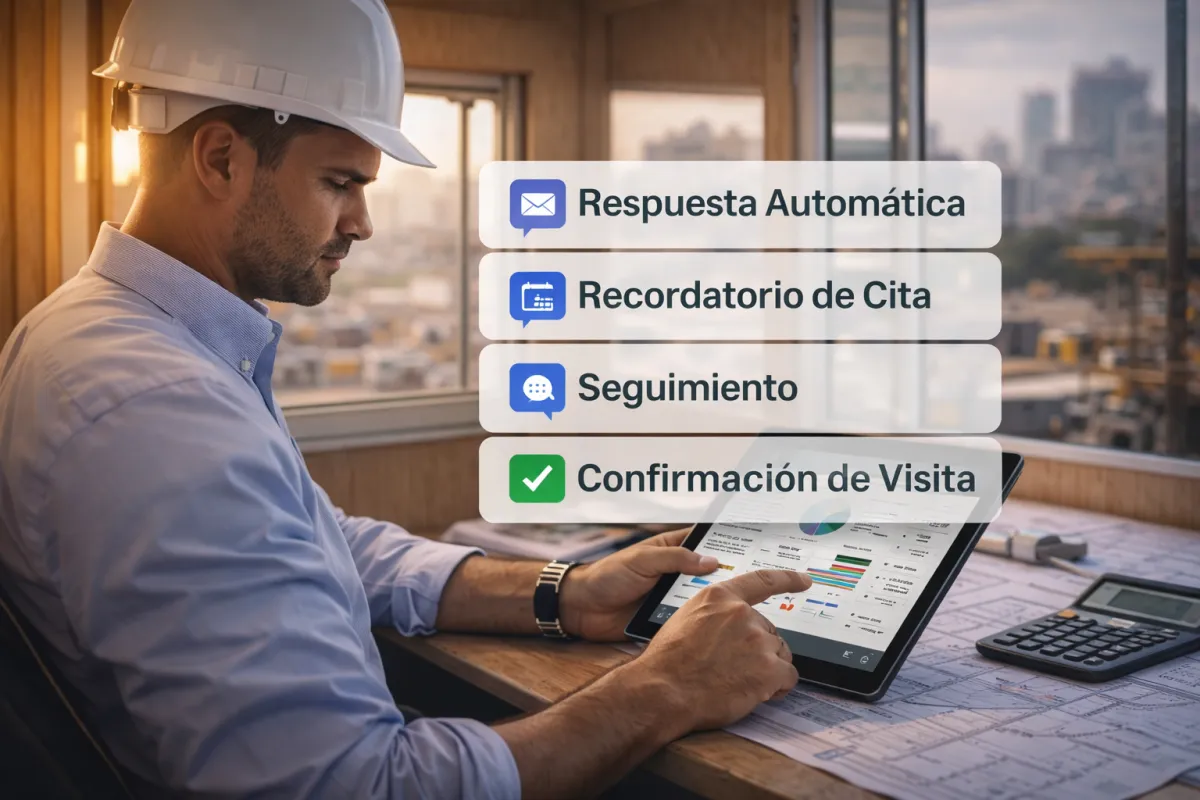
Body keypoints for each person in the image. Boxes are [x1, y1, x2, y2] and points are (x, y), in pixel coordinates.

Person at [0, 1, 812, 797]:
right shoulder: (155, 408)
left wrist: (562, 591)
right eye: (340, 181)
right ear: (220, 158)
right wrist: (666, 688)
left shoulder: (110, 336)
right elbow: (355, 786)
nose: (362, 223)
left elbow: (309, 544)